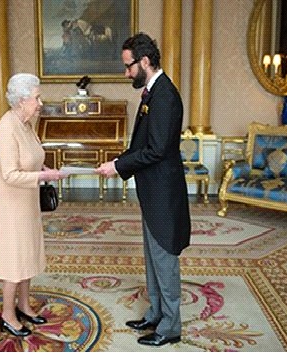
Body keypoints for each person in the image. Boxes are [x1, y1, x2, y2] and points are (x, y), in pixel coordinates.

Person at [96, 33, 191, 346]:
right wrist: (120, 160)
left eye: (128, 66)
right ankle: (156, 314)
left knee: (164, 259)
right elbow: (143, 145)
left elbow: (157, 150)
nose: (126, 73)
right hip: (153, 192)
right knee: (152, 257)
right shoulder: (153, 91)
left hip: (163, 194)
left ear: (145, 62)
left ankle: (170, 327)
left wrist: (119, 166)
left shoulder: (165, 96)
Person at [0, 73, 67, 336]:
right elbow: (10, 174)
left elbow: (30, 157)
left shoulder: (26, 124)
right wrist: (44, 176)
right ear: (22, 100)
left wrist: (43, 168)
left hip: (28, 200)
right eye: (36, 97)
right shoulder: (6, 127)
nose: (40, 103)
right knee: (14, 259)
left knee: (28, 253)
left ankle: (23, 305)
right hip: (11, 203)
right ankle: (7, 315)